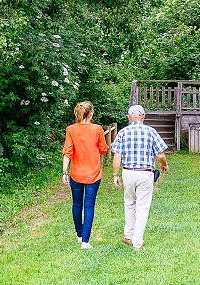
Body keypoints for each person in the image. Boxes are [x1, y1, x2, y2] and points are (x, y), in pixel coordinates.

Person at [111, 104, 169, 250]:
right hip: (145, 172)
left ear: (129, 118)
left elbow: (117, 156)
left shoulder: (123, 132)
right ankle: (137, 242)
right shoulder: (151, 131)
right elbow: (161, 155)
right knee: (142, 207)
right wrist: (164, 165)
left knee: (129, 203)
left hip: (128, 172)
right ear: (143, 116)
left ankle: (128, 236)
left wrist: (115, 175)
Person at [62, 101, 109, 249]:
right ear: (90, 114)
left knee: (76, 204)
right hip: (93, 174)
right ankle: (85, 241)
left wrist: (64, 171)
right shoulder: (97, 129)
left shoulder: (71, 129)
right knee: (89, 206)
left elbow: (67, 152)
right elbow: (103, 149)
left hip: (76, 173)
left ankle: (79, 234)